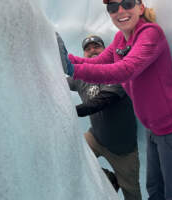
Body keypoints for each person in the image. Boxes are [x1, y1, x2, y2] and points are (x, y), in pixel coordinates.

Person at [58, 0, 172, 199]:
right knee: (155, 190)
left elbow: (126, 70)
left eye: (127, 3)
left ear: (140, 8)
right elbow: (96, 62)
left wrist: (73, 69)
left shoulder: (151, 33)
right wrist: (65, 58)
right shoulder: (120, 40)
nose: (120, 11)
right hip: (155, 130)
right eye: (113, 7)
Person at [60, 34, 142, 200]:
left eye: (96, 46)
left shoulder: (117, 72)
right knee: (68, 155)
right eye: (88, 49)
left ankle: (115, 181)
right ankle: (107, 179)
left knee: (132, 193)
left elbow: (103, 101)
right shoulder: (81, 77)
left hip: (123, 151)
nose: (92, 51)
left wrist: (70, 111)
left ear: (105, 51)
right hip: (95, 138)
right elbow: (58, 81)